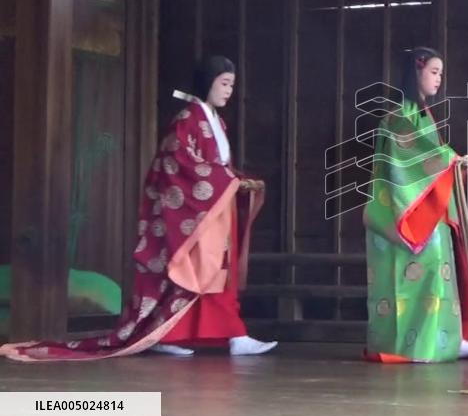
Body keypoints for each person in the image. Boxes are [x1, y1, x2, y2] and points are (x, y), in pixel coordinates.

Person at [1, 55, 276, 361]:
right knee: (200, 275)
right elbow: (177, 165)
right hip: (198, 212)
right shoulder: (187, 119)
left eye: (232, 86)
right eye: (224, 84)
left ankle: (210, 335)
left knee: (213, 275)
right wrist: (227, 180)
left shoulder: (216, 122)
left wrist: (239, 180)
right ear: (206, 84)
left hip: (213, 210)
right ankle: (222, 335)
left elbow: (216, 167)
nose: (228, 91)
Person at [363, 47, 468, 363]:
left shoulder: (421, 114)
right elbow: (415, 156)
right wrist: (452, 159)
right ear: (416, 72)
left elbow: (431, 156)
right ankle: (416, 344)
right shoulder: (397, 117)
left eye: (440, 73)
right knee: (423, 270)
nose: (438, 78)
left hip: (428, 210)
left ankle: (445, 339)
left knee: (440, 268)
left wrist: (454, 163)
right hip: (400, 212)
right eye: (433, 71)